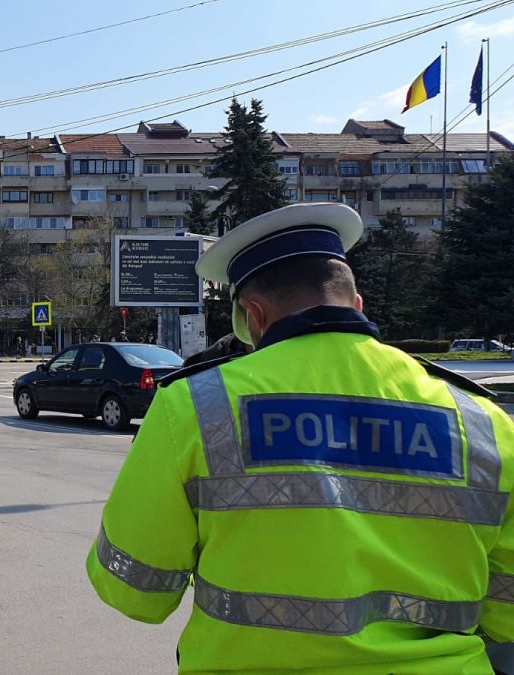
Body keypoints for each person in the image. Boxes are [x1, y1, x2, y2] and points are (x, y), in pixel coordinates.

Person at [86, 203, 514, 672]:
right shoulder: (481, 419)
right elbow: (506, 613)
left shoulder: (194, 406)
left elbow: (134, 591)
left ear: (253, 316)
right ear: (356, 304)